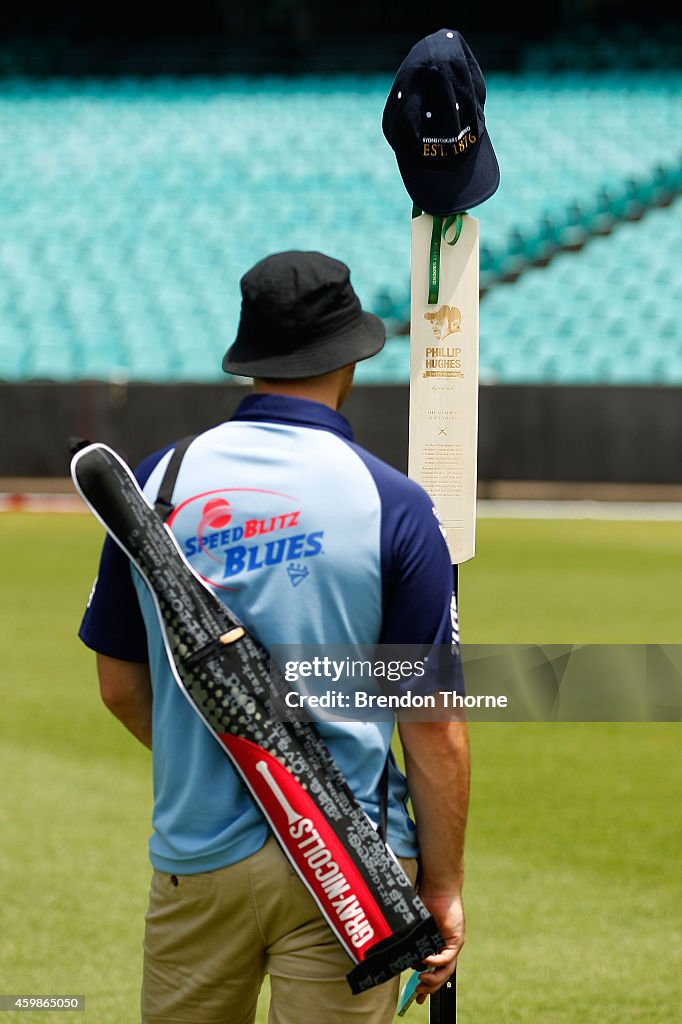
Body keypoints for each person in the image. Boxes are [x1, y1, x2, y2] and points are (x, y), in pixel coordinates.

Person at [78, 250, 469, 1024]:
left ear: (250, 360)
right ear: (351, 356)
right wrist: (444, 887)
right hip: (351, 871)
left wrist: (240, 760)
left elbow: (119, 686)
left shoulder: (158, 482)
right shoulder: (392, 501)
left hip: (197, 857)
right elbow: (433, 728)